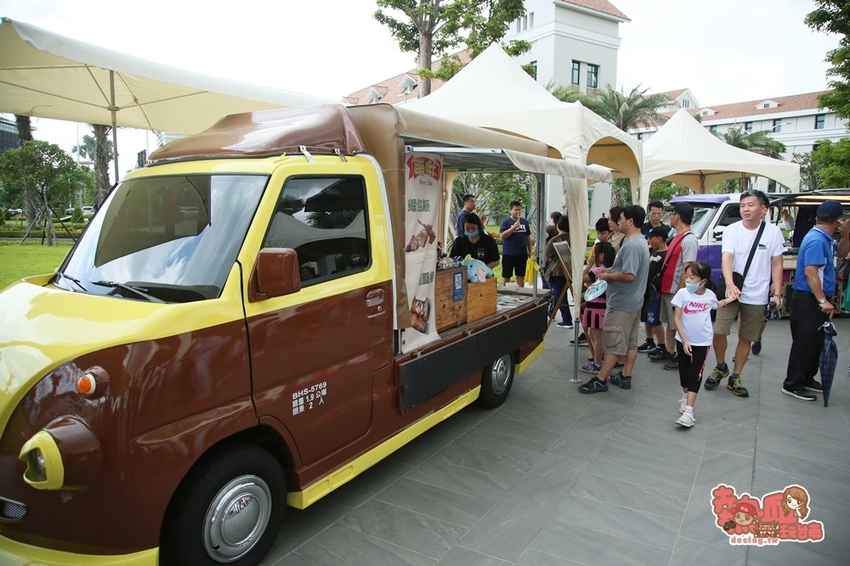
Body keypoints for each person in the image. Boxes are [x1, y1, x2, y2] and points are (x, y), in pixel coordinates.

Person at [705, 190, 786, 397]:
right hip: (732, 292)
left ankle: (735, 376)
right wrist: (730, 284)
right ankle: (721, 366)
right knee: (719, 332)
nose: (745, 209)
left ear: (763, 209)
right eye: (742, 206)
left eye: (750, 205)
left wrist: (777, 292)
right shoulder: (732, 230)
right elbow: (726, 258)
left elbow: (777, 263)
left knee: (746, 338)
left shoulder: (773, 232)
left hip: (757, 294)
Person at [579, 205, 650, 394]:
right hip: (634, 301)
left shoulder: (632, 245)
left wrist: (607, 277)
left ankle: (600, 380)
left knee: (612, 343)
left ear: (630, 221)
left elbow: (629, 274)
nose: (618, 222)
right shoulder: (638, 241)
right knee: (631, 342)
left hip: (622, 303)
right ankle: (625, 376)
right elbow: (625, 268)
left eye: (621, 219)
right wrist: (609, 270)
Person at [782, 200, 848, 401]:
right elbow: (811, 273)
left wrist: (846, 235)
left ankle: (807, 377)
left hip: (814, 297)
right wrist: (821, 300)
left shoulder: (824, 237)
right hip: (808, 298)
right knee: (805, 341)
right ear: (838, 219)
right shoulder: (817, 240)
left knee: (815, 341)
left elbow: (842, 253)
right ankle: (793, 383)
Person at [672, 261, 736, 427]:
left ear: (703, 281)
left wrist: (730, 299)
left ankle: (689, 412)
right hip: (683, 340)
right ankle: (685, 397)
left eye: (692, 278)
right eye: (687, 276)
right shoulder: (682, 294)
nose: (688, 280)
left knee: (696, 374)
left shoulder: (709, 295)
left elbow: (717, 305)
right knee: (684, 371)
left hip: (702, 341)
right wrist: (684, 339)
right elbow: (676, 318)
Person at [649, 202, 698, 371]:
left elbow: (687, 268)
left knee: (676, 323)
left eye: (672, 214)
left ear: (678, 216)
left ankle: (680, 356)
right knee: (670, 324)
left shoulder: (689, 239)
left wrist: (681, 292)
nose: (670, 217)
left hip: (675, 289)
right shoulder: (676, 237)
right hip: (667, 288)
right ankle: (670, 352)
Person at [581, 241, 615, 374]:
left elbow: (581, 278)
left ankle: (598, 363)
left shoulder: (599, 270)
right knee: (592, 333)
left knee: (597, 337)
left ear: (601, 255)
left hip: (596, 307)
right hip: (600, 306)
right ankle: (597, 358)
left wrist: (589, 264)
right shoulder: (611, 269)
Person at [638, 226, 668, 353]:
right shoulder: (653, 252)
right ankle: (649, 340)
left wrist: (660, 289)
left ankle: (661, 345)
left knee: (654, 318)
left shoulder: (666, 255)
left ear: (659, 239)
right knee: (646, 316)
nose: (648, 240)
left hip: (656, 291)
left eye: (651, 238)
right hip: (647, 289)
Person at [544, 215, 573, 328]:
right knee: (559, 294)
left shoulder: (556, 240)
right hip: (570, 270)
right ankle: (551, 313)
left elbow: (545, 257)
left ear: (559, 225)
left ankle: (567, 319)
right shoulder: (574, 238)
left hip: (557, 272)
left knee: (560, 295)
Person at [499, 201, 532, 287]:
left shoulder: (524, 222)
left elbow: (528, 237)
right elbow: (502, 236)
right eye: (515, 210)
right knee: (506, 275)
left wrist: (529, 250)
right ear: (511, 210)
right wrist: (514, 227)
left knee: (521, 275)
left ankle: (520, 292)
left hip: (522, 254)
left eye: (519, 210)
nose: (518, 212)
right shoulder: (506, 222)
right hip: (509, 254)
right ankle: (504, 292)